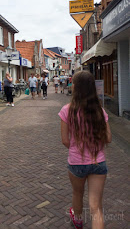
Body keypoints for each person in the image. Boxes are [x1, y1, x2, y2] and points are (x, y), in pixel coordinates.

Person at [58, 71, 112, 229]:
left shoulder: (66, 111)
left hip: (76, 163)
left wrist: (77, 148)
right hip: (98, 161)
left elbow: (65, 140)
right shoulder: (100, 112)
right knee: (96, 208)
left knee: (77, 194)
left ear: (76, 87)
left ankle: (78, 220)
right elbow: (108, 138)